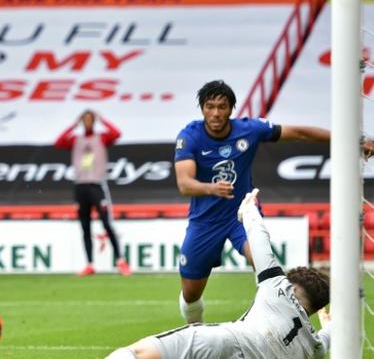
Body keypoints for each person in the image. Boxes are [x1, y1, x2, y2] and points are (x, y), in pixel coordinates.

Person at [173, 80, 374, 323]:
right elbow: (185, 184)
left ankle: (280, 326)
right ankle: (196, 330)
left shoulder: (249, 129)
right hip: (204, 222)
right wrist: (211, 188)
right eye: (210, 106)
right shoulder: (190, 136)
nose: (215, 113)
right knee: (191, 294)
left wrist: (350, 141)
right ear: (202, 108)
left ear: (231, 109)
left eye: (222, 107)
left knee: (264, 266)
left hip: (243, 214)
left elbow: (299, 133)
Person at [107, 189, 331, 359]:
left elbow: (261, 242)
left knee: (138, 353)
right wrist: (331, 324)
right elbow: (327, 338)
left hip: (224, 342)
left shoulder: (278, 287)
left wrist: (250, 210)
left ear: (291, 286)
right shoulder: (314, 348)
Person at [55, 110, 131, 277]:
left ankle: (120, 260)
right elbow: (59, 142)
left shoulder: (101, 138)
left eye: (90, 119)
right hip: (80, 186)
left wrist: (102, 119)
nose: (88, 122)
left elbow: (116, 133)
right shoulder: (76, 139)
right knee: (85, 226)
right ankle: (90, 263)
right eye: (85, 120)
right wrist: (74, 125)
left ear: (94, 121)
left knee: (106, 223)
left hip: (96, 185)